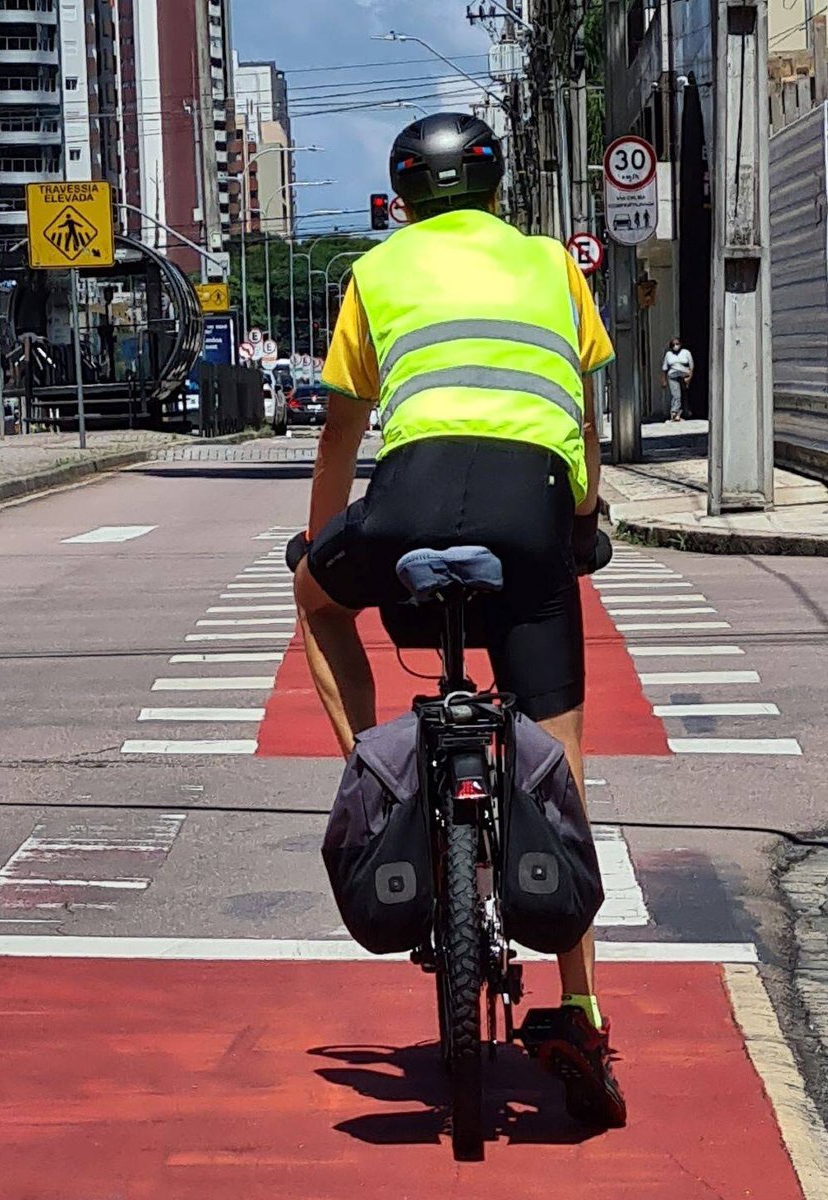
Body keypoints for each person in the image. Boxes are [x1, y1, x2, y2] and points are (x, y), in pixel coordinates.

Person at [290, 112, 625, 1127]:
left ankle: (371, 775)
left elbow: (341, 431)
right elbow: (578, 410)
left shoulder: (376, 272)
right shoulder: (550, 265)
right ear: (495, 187)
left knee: (317, 603)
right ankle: (579, 1009)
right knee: (557, 771)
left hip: (410, 501)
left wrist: (319, 548)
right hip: (532, 503)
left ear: (400, 193)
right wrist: (578, 520)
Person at [661, 336, 694, 421]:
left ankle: (684, 412)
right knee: (676, 395)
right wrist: (664, 380)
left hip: (684, 376)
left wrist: (689, 377)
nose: (675, 346)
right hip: (673, 376)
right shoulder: (668, 354)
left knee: (684, 395)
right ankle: (674, 413)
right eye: (673, 345)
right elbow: (665, 368)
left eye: (677, 344)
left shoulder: (686, 352)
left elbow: (691, 366)